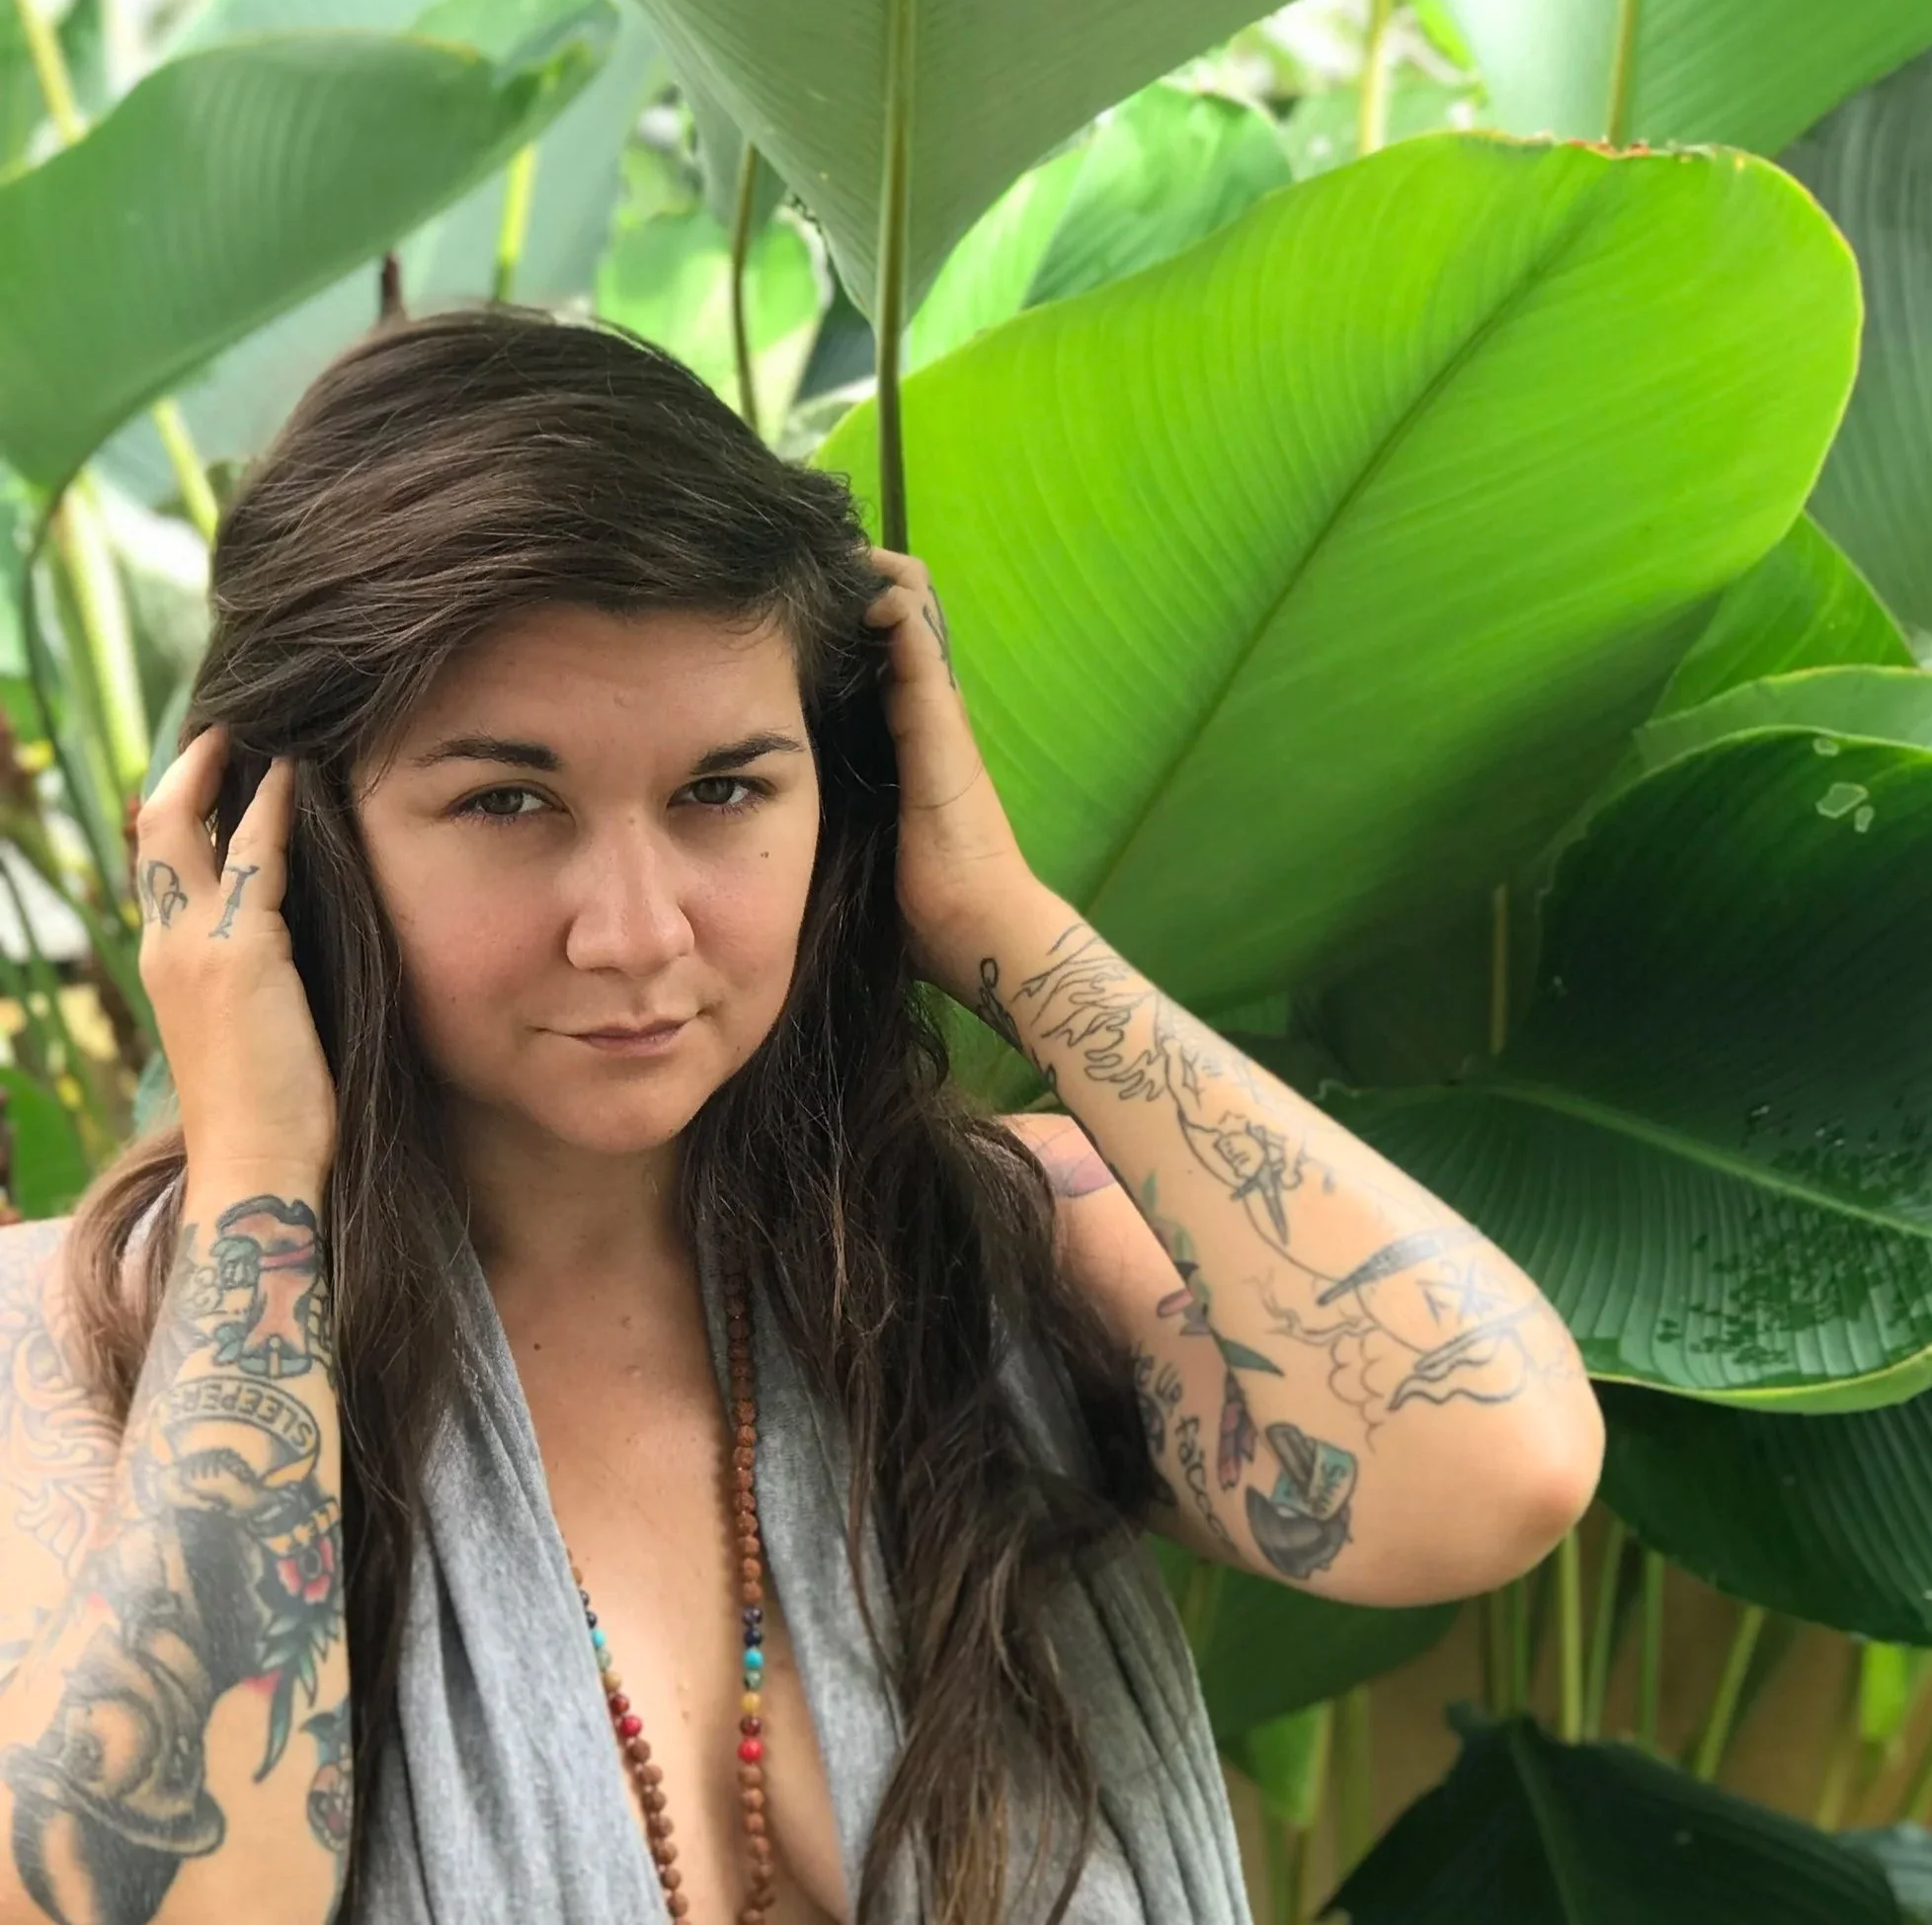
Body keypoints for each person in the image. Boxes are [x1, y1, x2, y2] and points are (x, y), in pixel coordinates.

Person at [0, 306, 1604, 1925]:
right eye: (507, 801)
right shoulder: (79, 1349)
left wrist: (1007, 928)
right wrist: (263, 1174)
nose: (635, 929)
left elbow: (1495, 1469)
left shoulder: (1003, 1250)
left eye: (724, 790)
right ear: (279, 832)